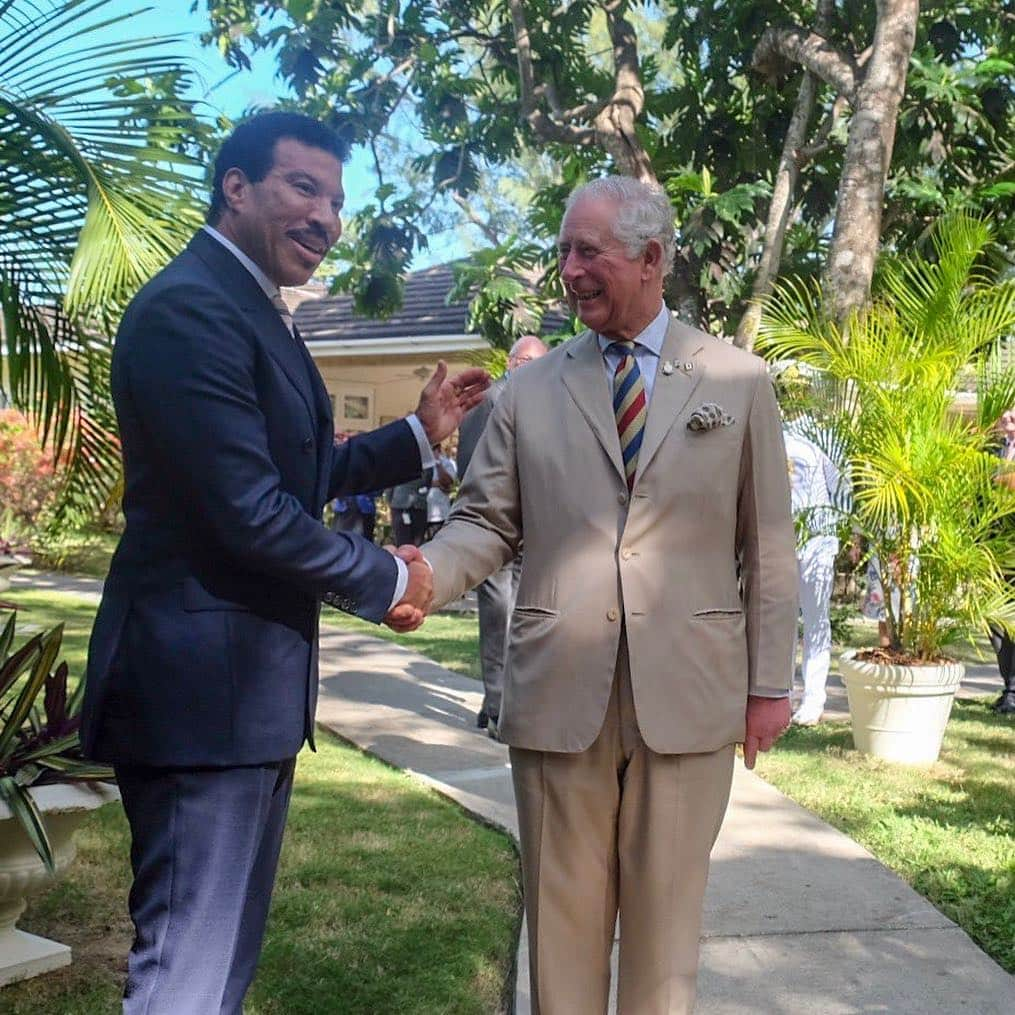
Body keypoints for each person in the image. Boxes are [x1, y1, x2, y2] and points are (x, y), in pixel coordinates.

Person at [79, 111, 487, 1015]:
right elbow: (245, 511)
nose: (326, 218)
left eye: (337, 200)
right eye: (303, 188)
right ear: (236, 185)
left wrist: (419, 433)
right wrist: (389, 579)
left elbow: (298, 469)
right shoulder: (191, 310)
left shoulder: (253, 310)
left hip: (247, 701)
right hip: (196, 702)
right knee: (185, 967)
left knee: (220, 967)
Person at [411, 177, 798, 1013]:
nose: (569, 271)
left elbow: (767, 543)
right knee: (562, 925)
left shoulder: (737, 382)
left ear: (651, 258)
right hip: (558, 690)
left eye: (588, 252)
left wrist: (769, 684)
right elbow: (483, 523)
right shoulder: (528, 392)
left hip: (690, 692)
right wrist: (425, 575)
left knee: (665, 929)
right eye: (562, 251)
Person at [457, 334, 549, 737]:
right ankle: (498, 709)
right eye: (530, 363)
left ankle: (495, 700)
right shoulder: (493, 400)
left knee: (520, 619)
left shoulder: (540, 403)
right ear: (513, 363)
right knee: (497, 618)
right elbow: (474, 467)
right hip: (495, 529)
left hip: (532, 528)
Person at [784, 427, 850, 725]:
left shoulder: (823, 436)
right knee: (779, 623)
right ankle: (779, 695)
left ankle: (813, 699)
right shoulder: (769, 426)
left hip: (817, 541)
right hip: (779, 539)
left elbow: (841, 490)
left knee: (815, 621)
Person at [990, 408, 1015, 714]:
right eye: (1003, 417)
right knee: (995, 624)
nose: (1007, 421)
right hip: (993, 551)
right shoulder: (991, 453)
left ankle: (1013, 690)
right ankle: (1007, 684)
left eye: (1013, 415)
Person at [424, 443, 457, 540]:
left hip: (439, 515)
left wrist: (438, 463)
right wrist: (435, 484)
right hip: (421, 512)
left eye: (433, 448)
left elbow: (447, 483)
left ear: (438, 449)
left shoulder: (447, 463)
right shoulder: (423, 463)